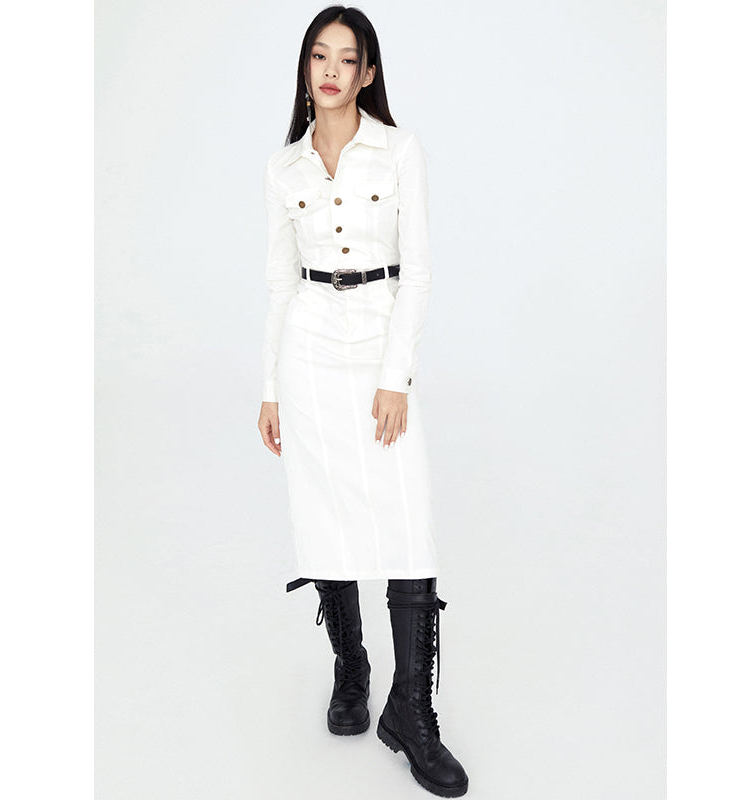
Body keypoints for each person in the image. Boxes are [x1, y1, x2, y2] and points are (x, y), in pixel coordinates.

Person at [256, 6, 469, 797]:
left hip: (377, 336)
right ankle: (352, 669)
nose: (332, 70)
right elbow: (279, 281)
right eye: (320, 55)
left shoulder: (399, 150)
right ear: (306, 67)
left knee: (406, 521)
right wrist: (269, 387)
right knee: (325, 511)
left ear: (368, 72)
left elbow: (420, 269)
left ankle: (411, 712)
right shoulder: (284, 167)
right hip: (307, 346)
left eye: (348, 58)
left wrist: (394, 376)